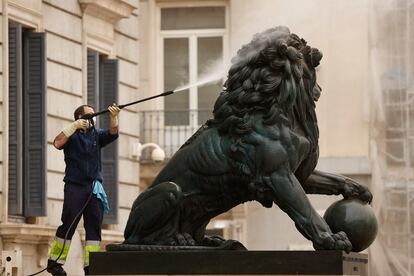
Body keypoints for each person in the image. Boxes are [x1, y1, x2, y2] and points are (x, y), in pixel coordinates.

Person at [47, 104, 120, 276]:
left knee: (94, 229)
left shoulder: (97, 135)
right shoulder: (71, 136)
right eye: (89, 115)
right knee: (68, 224)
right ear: (80, 118)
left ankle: (91, 267)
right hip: (75, 187)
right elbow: (57, 143)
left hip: (94, 189)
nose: (93, 118)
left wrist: (114, 118)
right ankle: (54, 263)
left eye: (94, 115)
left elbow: (113, 133)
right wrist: (73, 127)